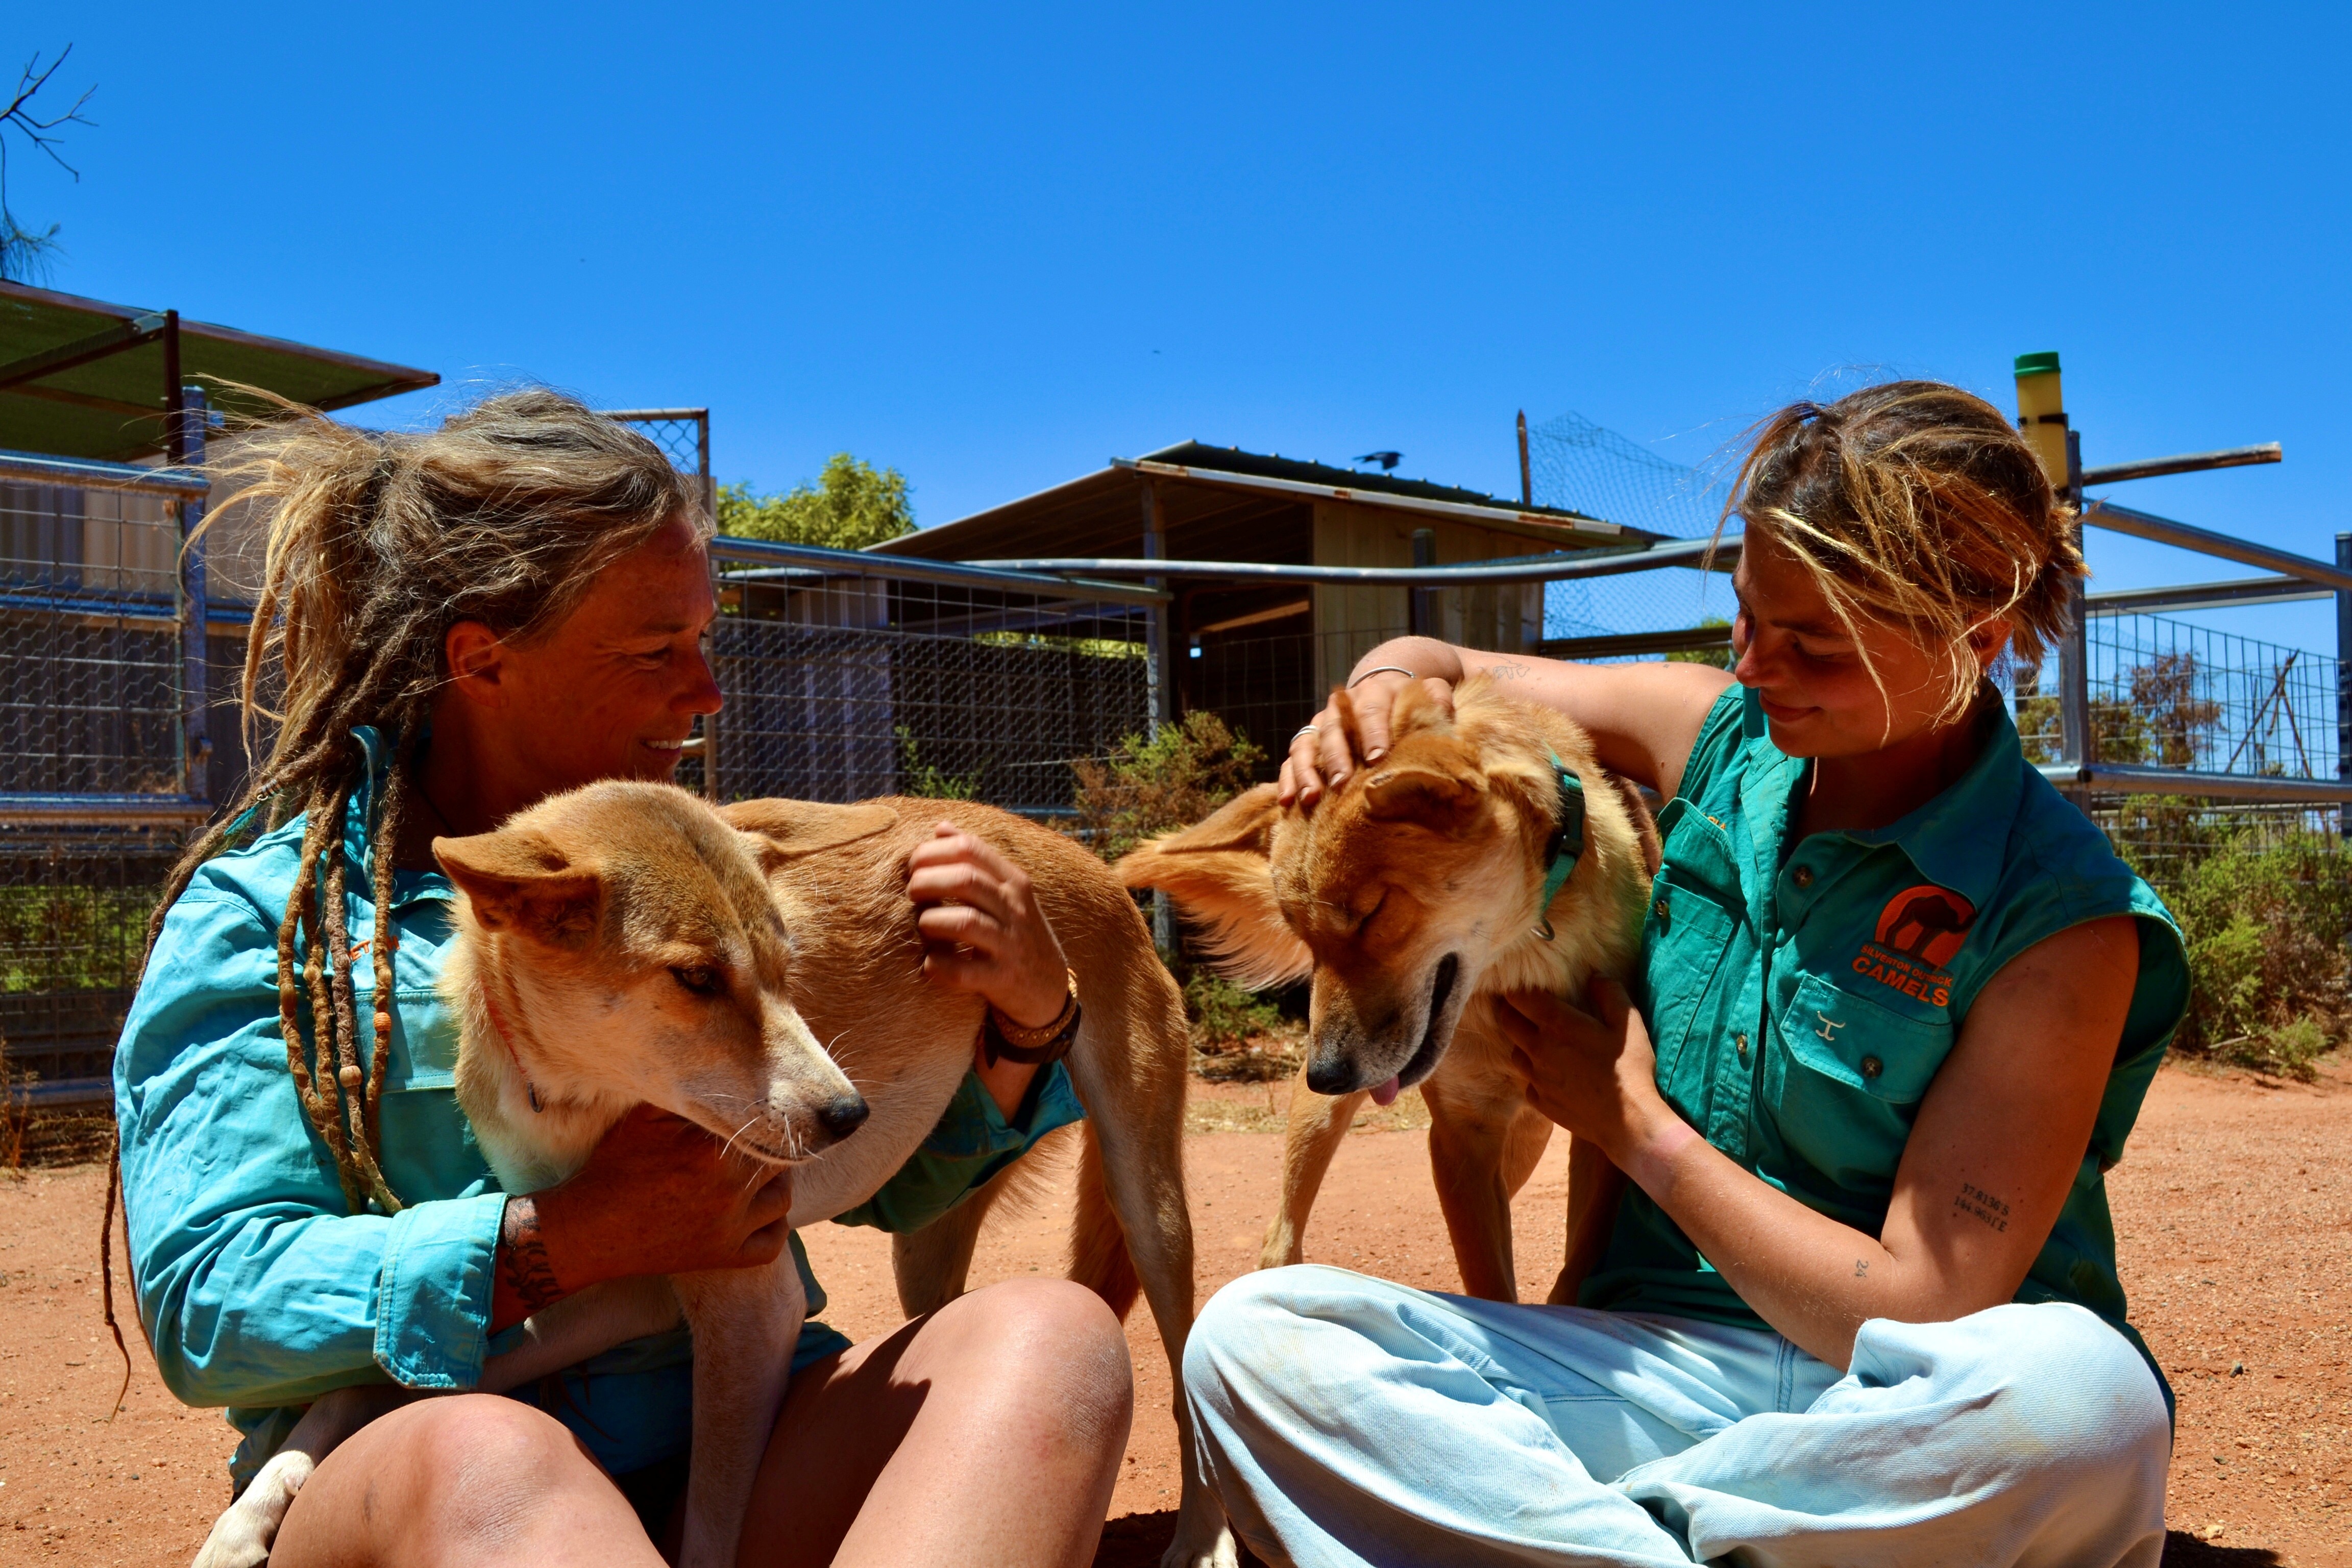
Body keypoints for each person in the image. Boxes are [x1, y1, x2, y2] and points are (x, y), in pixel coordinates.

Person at [115, 391, 1131, 1568]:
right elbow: (209, 1310)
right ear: (481, 656)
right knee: (494, 1457)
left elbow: (863, 1178)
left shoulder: (693, 866)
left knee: (1050, 1342)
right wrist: (562, 1240)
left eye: (707, 643)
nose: (705, 693)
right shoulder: (274, 923)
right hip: (430, 1499)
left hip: (734, 1444)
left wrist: (1019, 1026)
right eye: (658, 652)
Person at [1181, 382, 2188, 1568]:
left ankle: (1582, 1535)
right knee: (1253, 1340)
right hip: (1650, 1365)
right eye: (1747, 620)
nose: (1758, 665)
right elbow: (1442, 659)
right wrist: (1384, 689)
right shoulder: (1712, 736)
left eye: (1813, 642)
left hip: (1894, 1408)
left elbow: (1924, 1299)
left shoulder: (2066, 920)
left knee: (2085, 1403)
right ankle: (1700, 1539)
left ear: (1981, 632)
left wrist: (1631, 1125)